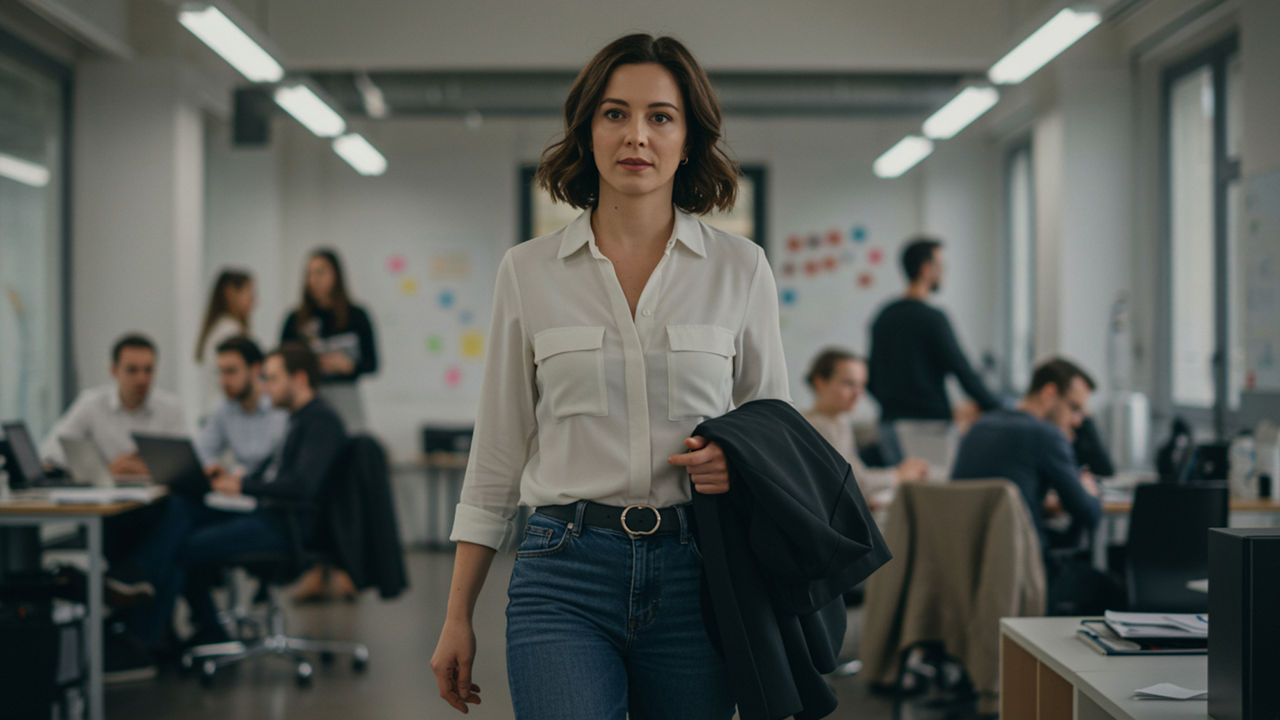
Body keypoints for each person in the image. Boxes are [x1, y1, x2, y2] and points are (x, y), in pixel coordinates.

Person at [430, 34, 789, 719]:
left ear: (688, 138)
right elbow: (498, 450)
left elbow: (776, 433)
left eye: (661, 116)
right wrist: (456, 615)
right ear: (587, 130)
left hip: (699, 573)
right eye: (615, 113)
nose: (636, 135)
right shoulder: (528, 271)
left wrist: (736, 461)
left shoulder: (740, 269)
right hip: (562, 569)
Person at [123, 343, 347, 669]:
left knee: (180, 544)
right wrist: (230, 480)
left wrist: (241, 485)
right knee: (182, 507)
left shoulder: (320, 421)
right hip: (268, 513)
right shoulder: (298, 419)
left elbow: (300, 487)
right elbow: (275, 475)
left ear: (298, 380)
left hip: (287, 526)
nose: (266, 388)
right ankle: (154, 600)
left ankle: (142, 637)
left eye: (272, 379)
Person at [950, 358, 1103, 587]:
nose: (1078, 421)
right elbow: (1089, 514)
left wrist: (1040, 505)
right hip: (1025, 574)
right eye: (1074, 408)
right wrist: (1090, 491)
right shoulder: (1047, 435)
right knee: (1111, 588)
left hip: (967, 572)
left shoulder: (979, 427)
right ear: (1049, 393)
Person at [867, 237, 1001, 464]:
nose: (944, 273)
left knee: (900, 485)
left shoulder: (883, 316)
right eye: (941, 266)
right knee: (936, 487)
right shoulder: (932, 318)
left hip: (889, 425)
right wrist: (998, 408)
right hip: (927, 429)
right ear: (926, 269)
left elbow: (871, 378)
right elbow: (962, 370)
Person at [801, 348, 928, 510]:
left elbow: (856, 474)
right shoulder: (814, 426)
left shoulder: (839, 422)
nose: (858, 393)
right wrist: (899, 475)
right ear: (820, 382)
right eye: (849, 384)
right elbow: (854, 482)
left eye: (861, 385)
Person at [39, 333, 185, 473]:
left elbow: (184, 464)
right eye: (132, 370)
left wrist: (147, 469)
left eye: (148, 370)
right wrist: (103, 471)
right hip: (105, 487)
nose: (142, 379)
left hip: (158, 489)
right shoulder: (91, 404)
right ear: (114, 371)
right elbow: (50, 453)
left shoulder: (170, 408)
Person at [280, 248, 378, 432]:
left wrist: (349, 366)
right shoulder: (296, 319)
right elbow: (281, 361)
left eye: (320, 272)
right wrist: (313, 364)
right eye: (309, 274)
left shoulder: (356, 316)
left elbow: (372, 363)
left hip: (346, 400)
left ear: (336, 275)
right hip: (308, 400)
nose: (313, 280)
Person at [195, 335, 287, 473]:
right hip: (241, 483)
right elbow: (202, 451)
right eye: (220, 372)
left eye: (231, 371)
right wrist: (215, 470)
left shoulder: (279, 407)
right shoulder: (225, 409)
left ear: (256, 369)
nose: (223, 381)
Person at [194, 269, 256, 416]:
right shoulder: (230, 330)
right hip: (226, 410)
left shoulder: (219, 327)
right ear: (230, 293)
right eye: (250, 293)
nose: (254, 301)